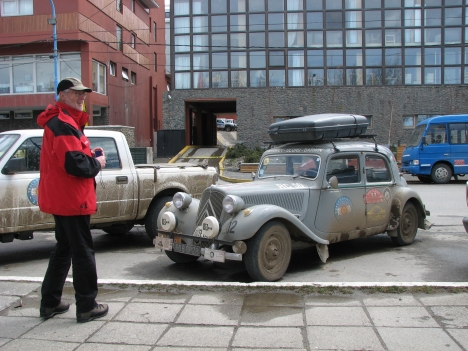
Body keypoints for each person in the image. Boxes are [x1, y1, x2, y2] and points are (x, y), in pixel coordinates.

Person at [37, 77, 108, 323]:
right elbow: (74, 164)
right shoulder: (63, 123)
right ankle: (87, 305)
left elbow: (69, 157)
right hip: (72, 199)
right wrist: (96, 163)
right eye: (76, 93)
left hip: (62, 197)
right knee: (82, 252)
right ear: (62, 95)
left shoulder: (61, 122)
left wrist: (89, 155)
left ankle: (50, 302)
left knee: (64, 248)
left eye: (83, 94)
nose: (82, 98)